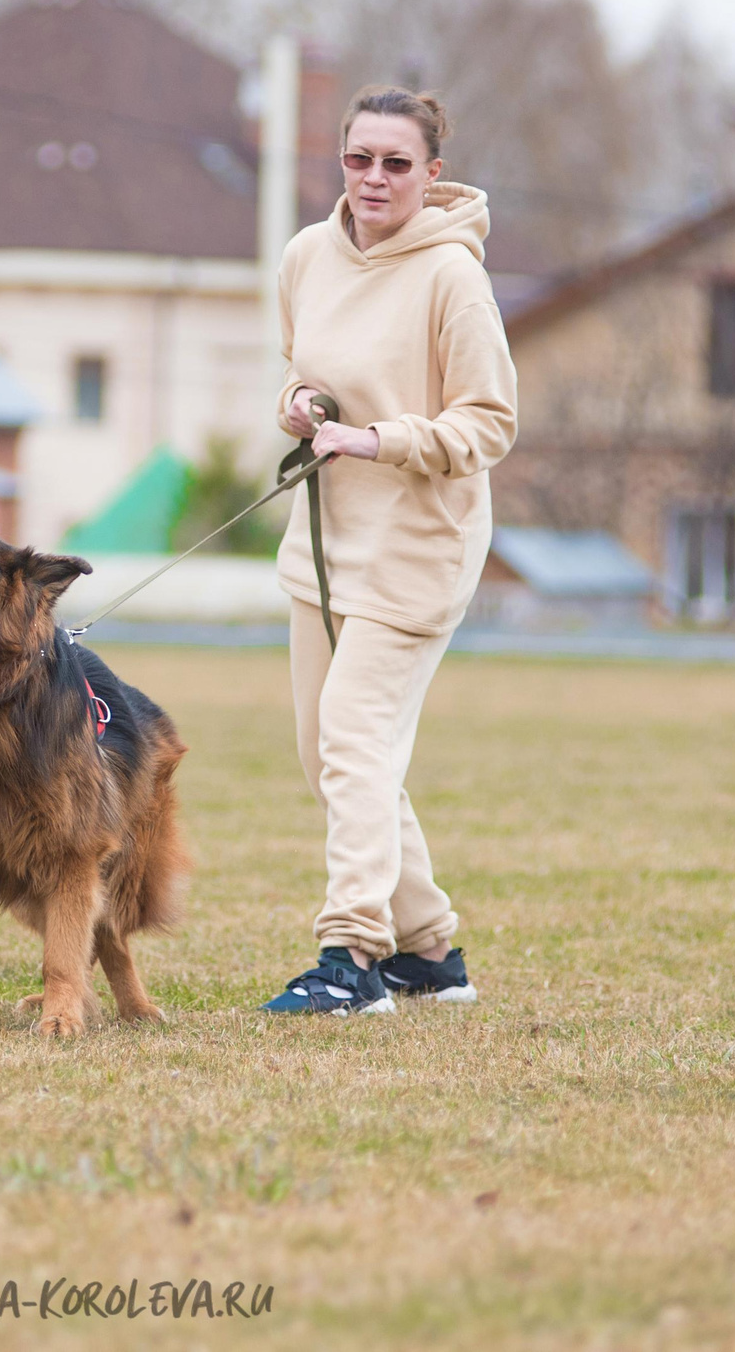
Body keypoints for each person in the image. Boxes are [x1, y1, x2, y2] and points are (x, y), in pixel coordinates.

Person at [260, 87, 516, 1016]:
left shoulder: (454, 278)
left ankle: (351, 957)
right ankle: (430, 953)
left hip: (420, 544)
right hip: (326, 541)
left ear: (432, 175)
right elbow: (299, 369)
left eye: (396, 163)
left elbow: (490, 423)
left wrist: (379, 440)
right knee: (325, 749)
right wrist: (303, 407)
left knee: (356, 743)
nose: (374, 178)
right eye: (359, 158)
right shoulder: (305, 256)